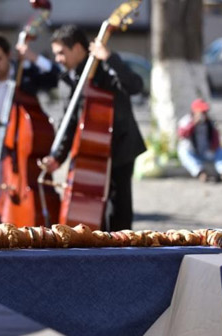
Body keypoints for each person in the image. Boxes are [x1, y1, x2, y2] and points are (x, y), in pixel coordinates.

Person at [39, 25, 146, 231]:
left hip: (120, 149)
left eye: (61, 53)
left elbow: (135, 86)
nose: (58, 59)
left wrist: (109, 57)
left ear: (78, 48)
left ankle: (121, 254)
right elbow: (68, 123)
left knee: (118, 211)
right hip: (89, 152)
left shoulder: (105, 69)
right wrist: (57, 157)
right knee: (88, 211)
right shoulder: (66, 80)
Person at [0, 31, 58, 231]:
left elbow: (56, 75)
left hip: (19, 153)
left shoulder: (24, 78)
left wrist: (32, 57)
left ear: (9, 55)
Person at [177, 98, 222, 182]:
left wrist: (214, 146)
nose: (203, 114)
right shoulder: (186, 121)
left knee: (221, 151)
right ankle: (201, 173)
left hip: (206, 151)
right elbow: (182, 135)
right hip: (192, 152)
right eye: (201, 112)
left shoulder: (210, 122)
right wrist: (193, 124)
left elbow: (216, 138)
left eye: (205, 112)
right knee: (182, 151)